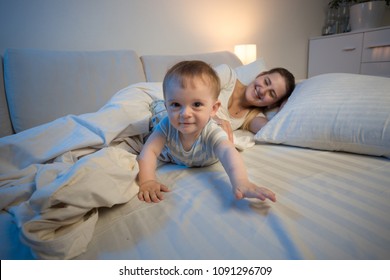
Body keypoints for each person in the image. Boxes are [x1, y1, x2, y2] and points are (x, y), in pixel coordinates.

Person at [136, 60, 276, 204]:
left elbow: (228, 152)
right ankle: (157, 106)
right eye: (176, 104)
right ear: (167, 105)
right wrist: (147, 181)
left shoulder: (211, 130)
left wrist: (241, 182)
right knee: (153, 120)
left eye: (196, 104)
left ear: (214, 109)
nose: (185, 113)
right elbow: (149, 151)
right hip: (166, 129)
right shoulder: (167, 125)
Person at [214, 64, 295, 142]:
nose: (262, 91)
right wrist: (216, 120)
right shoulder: (227, 75)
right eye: (266, 82)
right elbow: (201, 93)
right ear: (260, 75)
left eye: (271, 94)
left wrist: (285, 105)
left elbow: (273, 130)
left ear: (272, 104)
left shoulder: (252, 116)